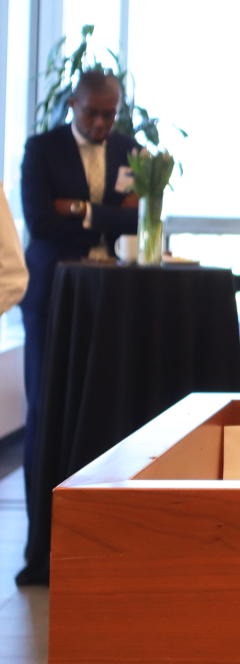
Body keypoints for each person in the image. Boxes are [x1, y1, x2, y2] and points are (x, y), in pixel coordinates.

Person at [18, 71, 139, 515]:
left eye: (110, 113)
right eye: (93, 112)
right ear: (73, 103)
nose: (102, 122)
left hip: (108, 297)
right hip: (51, 294)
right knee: (46, 409)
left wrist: (78, 208)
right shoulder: (42, 149)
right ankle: (40, 532)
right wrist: (109, 213)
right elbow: (40, 223)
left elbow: (137, 220)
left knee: (106, 409)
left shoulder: (129, 150)